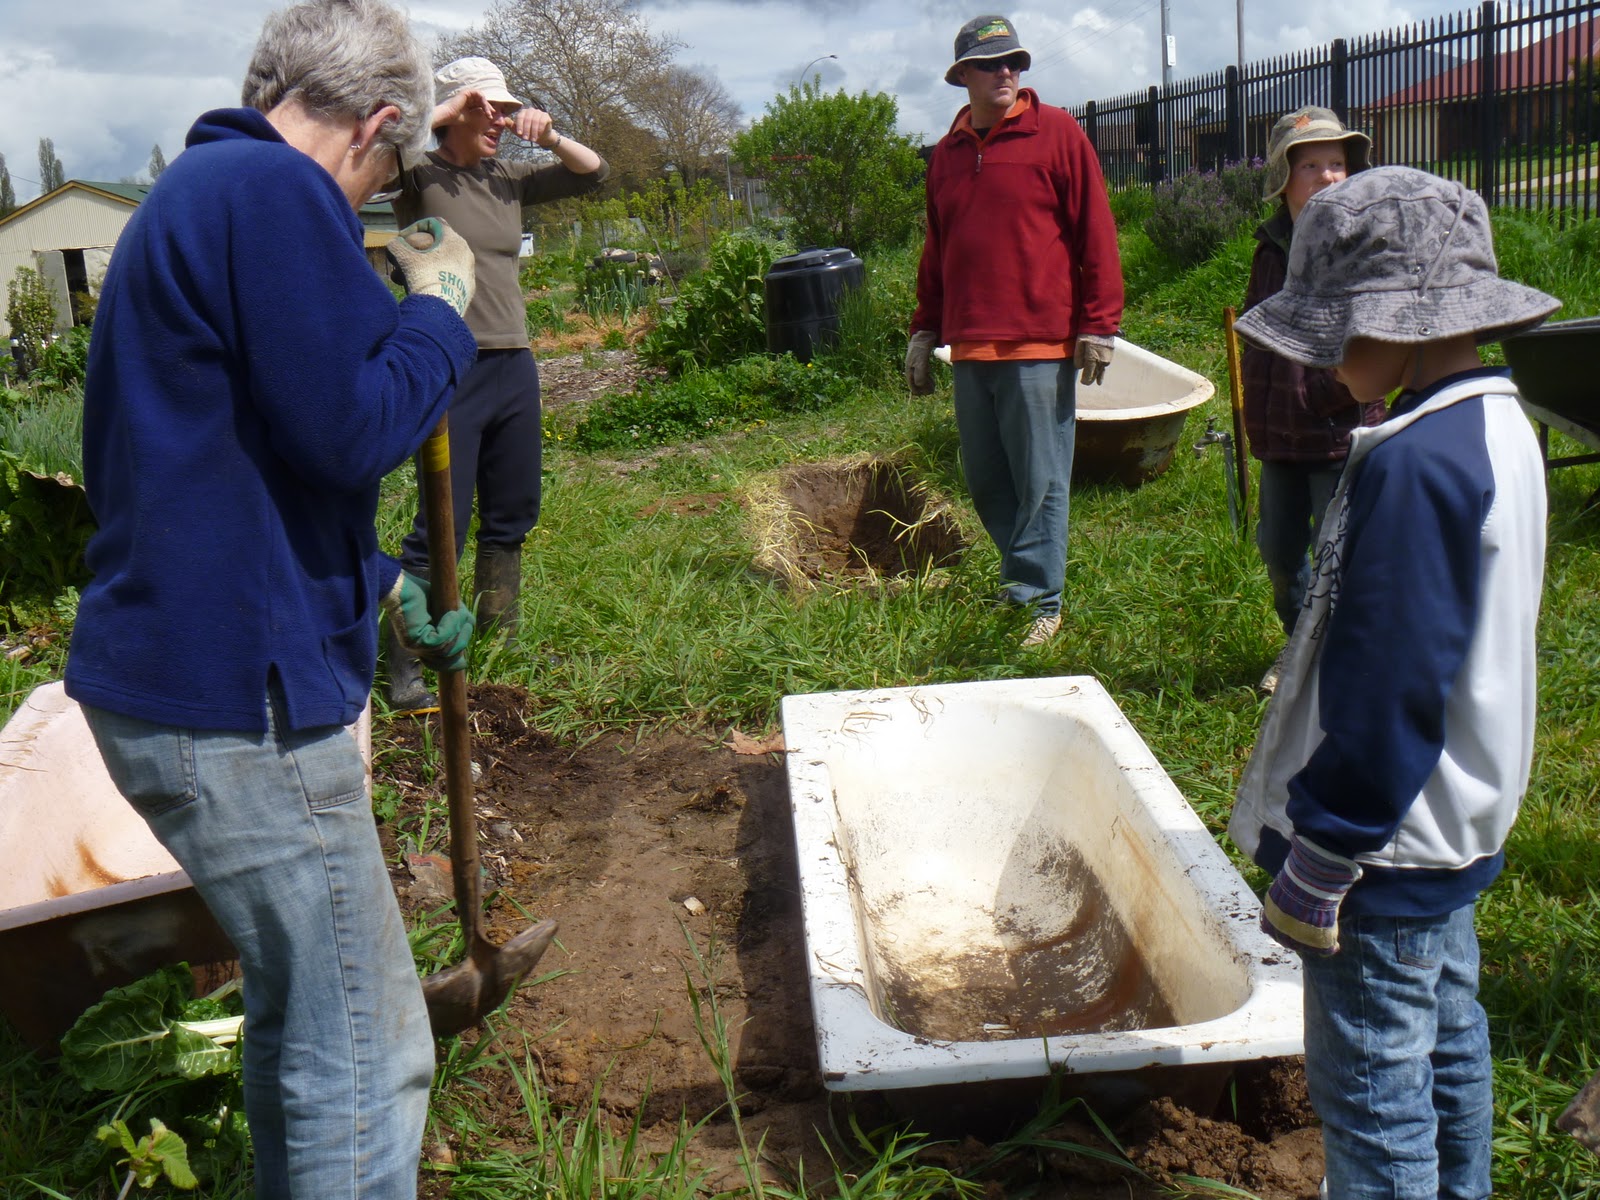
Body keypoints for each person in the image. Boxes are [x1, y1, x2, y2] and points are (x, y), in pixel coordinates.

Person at [65, 1, 480, 1194]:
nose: (371, 199)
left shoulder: (192, 198)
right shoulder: (278, 197)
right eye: (387, 171)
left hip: (174, 680)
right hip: (233, 711)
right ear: (379, 123)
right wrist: (439, 318)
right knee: (370, 1042)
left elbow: (212, 460)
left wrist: (381, 581)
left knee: (309, 1018)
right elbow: (354, 428)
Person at [1228, 165, 1559, 1199]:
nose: (1325, 356)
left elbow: (1389, 687)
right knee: (1447, 1037)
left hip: (1380, 851)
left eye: (1338, 329)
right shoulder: (1501, 426)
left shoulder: (1414, 468)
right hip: (1458, 820)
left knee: (1371, 1095)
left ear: (1404, 325)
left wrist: (1324, 852)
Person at [384, 56, 609, 710]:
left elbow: (594, 175)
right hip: (448, 364)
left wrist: (549, 136)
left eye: (511, 112)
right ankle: (408, 663)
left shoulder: (506, 177)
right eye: (494, 109)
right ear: (460, 109)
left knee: (510, 512)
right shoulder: (417, 176)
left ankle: (499, 648)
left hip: (513, 363)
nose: (505, 121)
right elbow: (382, 146)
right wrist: (446, 109)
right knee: (441, 522)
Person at [906, 14, 1124, 648]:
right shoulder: (946, 155)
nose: (1007, 72)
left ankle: (1040, 600)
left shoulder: (1055, 132)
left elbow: (1096, 233)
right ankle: (1021, 578)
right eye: (992, 63)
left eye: (1015, 63)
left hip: (1039, 340)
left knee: (1041, 478)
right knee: (987, 478)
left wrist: (1099, 323)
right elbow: (936, 248)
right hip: (971, 344)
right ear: (963, 76)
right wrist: (926, 328)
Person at [1242, 106, 1387, 692]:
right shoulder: (1271, 250)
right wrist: (1263, 407)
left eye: (1338, 164)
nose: (1329, 176)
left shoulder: (1361, 248)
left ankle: (1337, 660)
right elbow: (1257, 335)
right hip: (1280, 437)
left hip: (1336, 432)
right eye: (1312, 166)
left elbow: (1377, 338)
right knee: (1279, 552)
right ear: (1284, 179)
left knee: (1338, 557)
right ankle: (1300, 640)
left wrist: (1327, 393)